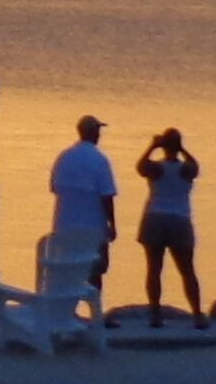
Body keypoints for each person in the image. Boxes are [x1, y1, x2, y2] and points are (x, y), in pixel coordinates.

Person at [134, 127, 205, 329]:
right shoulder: (185, 170)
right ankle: (197, 314)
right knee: (187, 270)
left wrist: (152, 146)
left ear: (164, 147)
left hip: (155, 217)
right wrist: (183, 149)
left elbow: (140, 167)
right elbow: (196, 167)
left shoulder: (157, 169)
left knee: (154, 269)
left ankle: (155, 314)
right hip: (180, 219)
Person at [50, 115, 119, 292]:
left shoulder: (64, 157)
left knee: (66, 271)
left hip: (64, 227)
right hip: (93, 229)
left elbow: (55, 188)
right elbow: (106, 196)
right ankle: (94, 313)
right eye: (98, 131)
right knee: (95, 272)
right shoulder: (100, 160)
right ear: (94, 134)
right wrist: (112, 224)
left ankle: (67, 312)